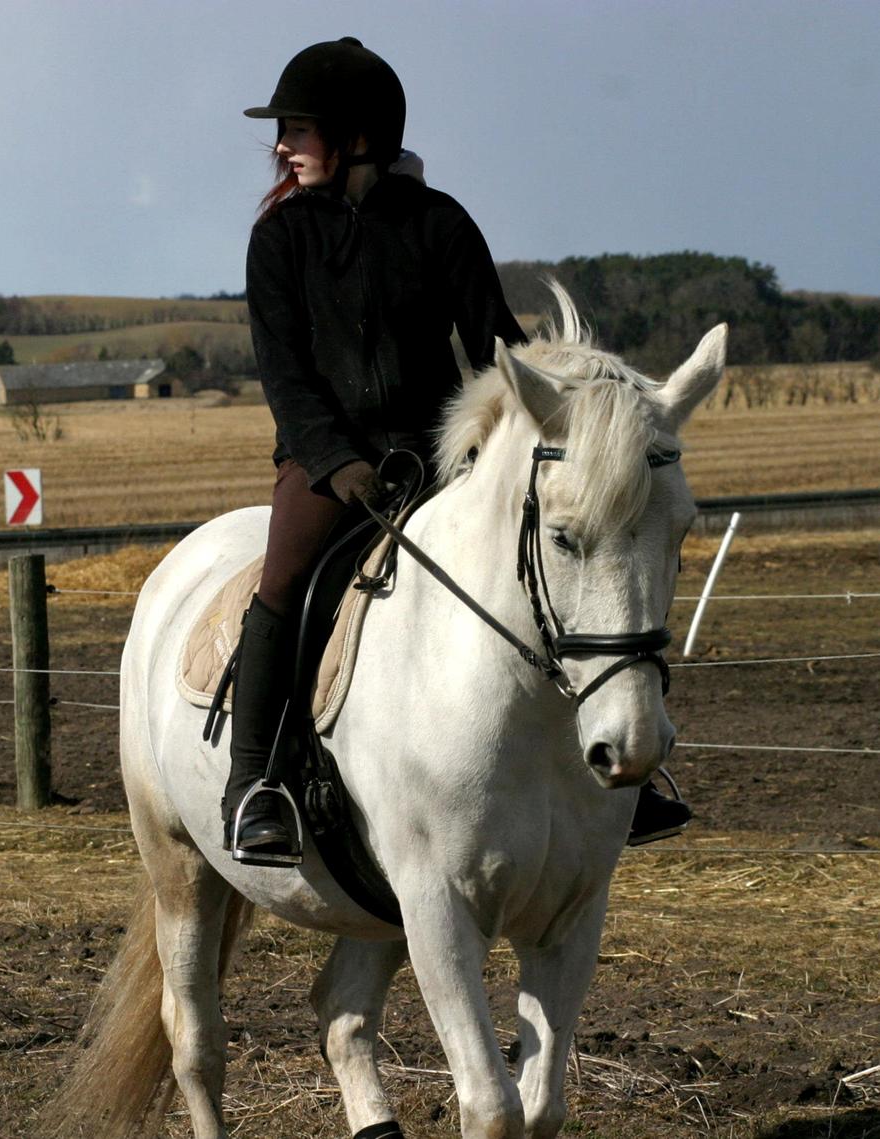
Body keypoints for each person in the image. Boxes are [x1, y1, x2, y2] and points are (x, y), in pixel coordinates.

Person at [224, 37, 690, 861]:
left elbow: (497, 348)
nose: (283, 147)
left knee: (545, 571)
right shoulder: (280, 240)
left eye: (299, 129)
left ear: (358, 136)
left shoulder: (439, 225)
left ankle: (616, 769)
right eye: (284, 133)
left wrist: (575, 418)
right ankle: (257, 780)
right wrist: (335, 460)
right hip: (325, 463)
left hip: (441, 453)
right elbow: (286, 377)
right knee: (283, 584)